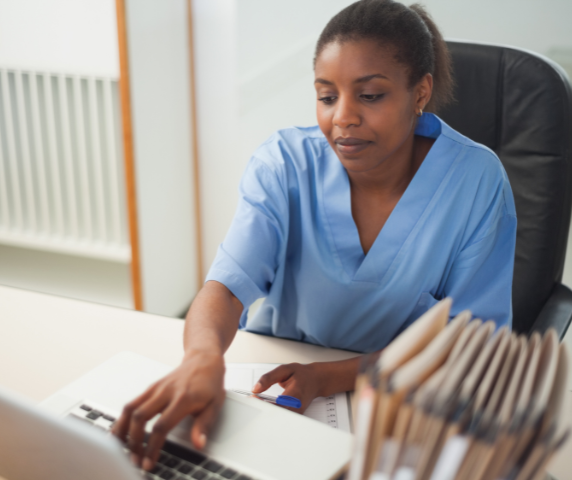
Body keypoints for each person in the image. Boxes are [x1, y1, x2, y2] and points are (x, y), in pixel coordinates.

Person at [113, 0, 517, 471]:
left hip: (402, 404)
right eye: (327, 97)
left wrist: (333, 376)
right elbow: (224, 287)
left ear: (420, 93)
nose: (342, 117)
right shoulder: (284, 164)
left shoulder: (476, 181)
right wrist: (201, 358)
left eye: (369, 96)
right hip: (275, 383)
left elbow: (469, 348)